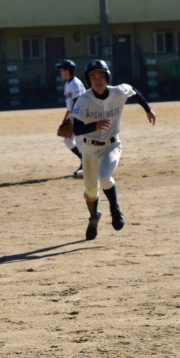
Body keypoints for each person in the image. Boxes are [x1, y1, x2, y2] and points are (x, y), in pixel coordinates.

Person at [71, 59, 157, 240]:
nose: (97, 80)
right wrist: (95, 125)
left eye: (101, 76)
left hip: (111, 145)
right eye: (93, 77)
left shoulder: (118, 91)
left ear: (107, 77)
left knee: (104, 176)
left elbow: (134, 91)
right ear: (88, 80)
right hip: (89, 149)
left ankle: (115, 208)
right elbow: (77, 129)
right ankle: (94, 216)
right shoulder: (83, 100)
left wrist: (148, 109)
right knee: (90, 191)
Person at [55, 59, 86, 178]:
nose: (61, 72)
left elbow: (78, 104)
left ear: (68, 71)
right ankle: (84, 161)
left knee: (79, 142)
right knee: (68, 141)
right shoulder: (67, 84)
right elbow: (70, 107)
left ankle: (87, 166)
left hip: (81, 116)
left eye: (62, 70)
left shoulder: (75, 84)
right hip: (74, 115)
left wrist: (73, 118)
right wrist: (65, 120)